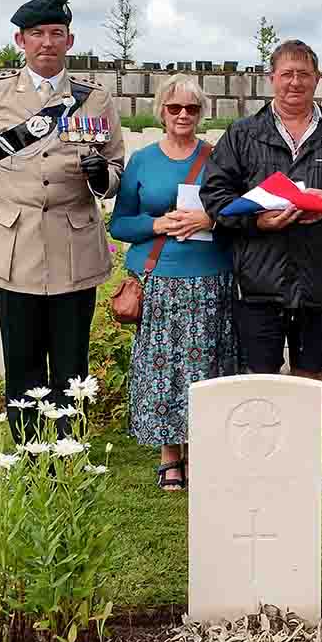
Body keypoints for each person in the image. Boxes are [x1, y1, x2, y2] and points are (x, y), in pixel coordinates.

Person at [0, 0, 125, 440]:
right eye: (37, 34)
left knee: (72, 358)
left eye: (56, 33)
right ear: (20, 41)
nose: (47, 42)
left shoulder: (95, 99)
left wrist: (99, 176)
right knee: (22, 354)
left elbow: (115, 171)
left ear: (69, 40)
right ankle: (29, 450)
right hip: (13, 244)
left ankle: (68, 447)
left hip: (73, 244)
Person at [199, 40, 322, 387]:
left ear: (317, 79)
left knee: (311, 379)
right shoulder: (242, 135)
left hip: (316, 283)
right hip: (258, 283)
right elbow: (215, 195)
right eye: (287, 74)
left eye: (304, 74)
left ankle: (309, 444)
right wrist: (256, 220)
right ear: (272, 78)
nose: (295, 82)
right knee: (260, 382)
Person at [109, 75, 235, 490]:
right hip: (158, 279)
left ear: (202, 113)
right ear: (161, 110)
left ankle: (201, 452)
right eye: (175, 107)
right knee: (162, 370)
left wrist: (210, 218)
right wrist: (157, 222)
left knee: (204, 369)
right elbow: (120, 224)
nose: (183, 115)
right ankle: (169, 457)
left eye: (192, 109)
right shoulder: (143, 161)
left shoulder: (217, 158)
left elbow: (237, 213)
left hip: (208, 276)